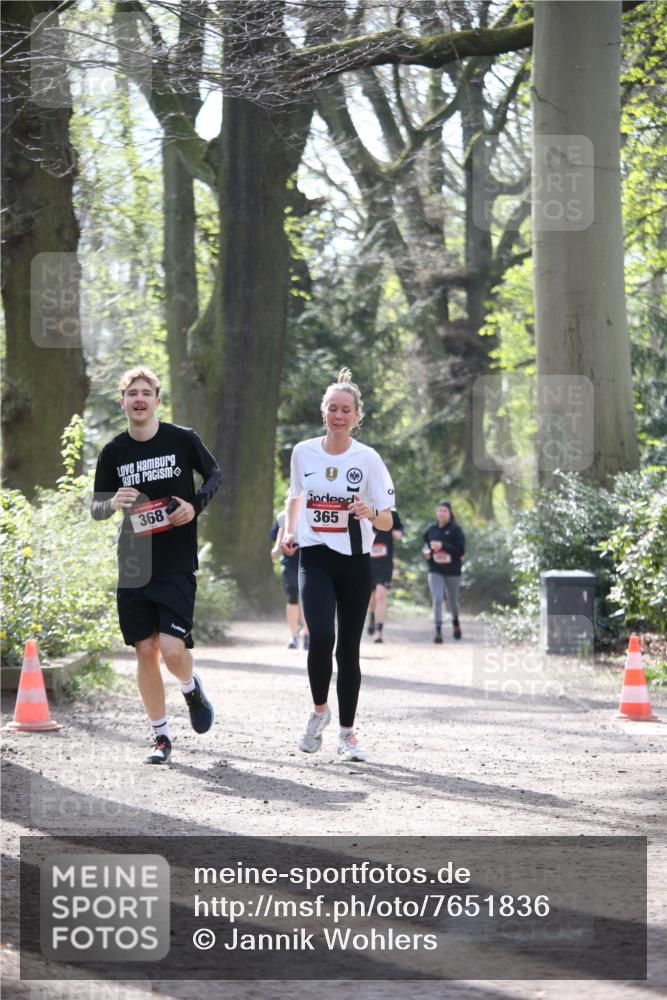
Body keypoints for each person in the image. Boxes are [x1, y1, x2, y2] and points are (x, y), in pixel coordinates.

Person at [91, 366, 221, 764]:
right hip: (133, 563)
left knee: (171, 648)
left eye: (146, 392)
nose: (140, 399)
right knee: (145, 650)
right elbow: (96, 507)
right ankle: (161, 737)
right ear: (123, 402)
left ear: (157, 400)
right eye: (132, 393)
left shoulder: (182, 440)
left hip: (176, 560)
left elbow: (214, 473)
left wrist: (193, 506)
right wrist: (112, 503)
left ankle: (190, 686)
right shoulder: (114, 452)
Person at [281, 368, 395, 762]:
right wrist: (287, 531)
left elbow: (387, 521)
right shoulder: (303, 452)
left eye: (346, 409)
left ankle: (347, 734)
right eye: (333, 408)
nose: (338, 415)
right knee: (320, 638)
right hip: (314, 556)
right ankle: (318, 712)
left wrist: (369, 510)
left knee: (348, 650)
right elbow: (295, 495)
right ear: (323, 411)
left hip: (354, 562)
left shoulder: (368, 459)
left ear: (356, 415)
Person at [422, 500, 465, 643]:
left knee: (452, 602)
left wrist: (443, 545)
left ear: (449, 513)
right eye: (439, 511)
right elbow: (425, 545)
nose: (441, 513)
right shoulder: (430, 529)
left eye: (444, 511)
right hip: (435, 569)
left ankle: (456, 623)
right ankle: (438, 632)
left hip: (453, 571)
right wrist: (426, 552)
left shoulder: (455, 530)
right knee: (438, 598)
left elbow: (460, 551)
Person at [270, 508, 309, 650]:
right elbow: (279, 532)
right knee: (292, 595)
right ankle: (293, 635)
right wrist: (276, 548)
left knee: (308, 597)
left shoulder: (313, 510)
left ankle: (306, 634)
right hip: (290, 559)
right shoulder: (283, 515)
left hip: (309, 556)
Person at [367, 509, 404, 643]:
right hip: (367, 562)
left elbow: (400, 531)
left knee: (380, 595)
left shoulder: (392, 514)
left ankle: (378, 630)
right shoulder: (363, 509)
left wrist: (396, 532)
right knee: (371, 598)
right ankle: (372, 616)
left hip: (384, 563)